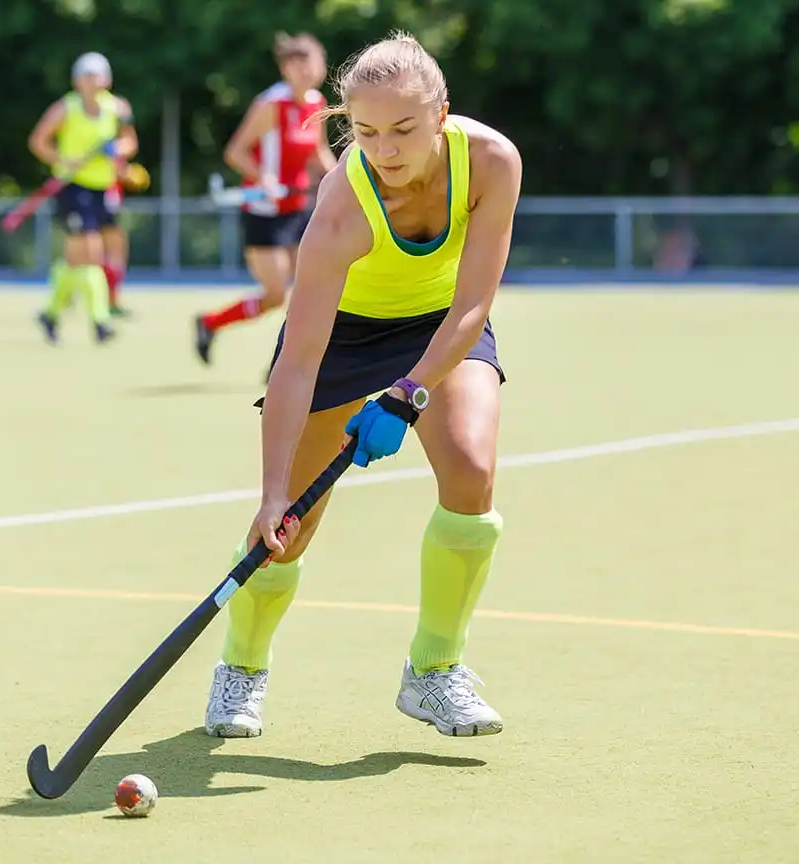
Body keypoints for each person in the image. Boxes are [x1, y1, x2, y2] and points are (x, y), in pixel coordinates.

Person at [202, 31, 522, 740]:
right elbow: (297, 359)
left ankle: (435, 672)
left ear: (441, 113)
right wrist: (272, 492)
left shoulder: (492, 162)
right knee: (293, 524)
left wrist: (409, 392)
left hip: (440, 323)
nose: (385, 150)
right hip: (344, 334)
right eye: (367, 131)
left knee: (471, 470)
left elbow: (473, 305)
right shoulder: (343, 203)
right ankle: (242, 667)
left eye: (404, 128)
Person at [193, 32, 336, 365]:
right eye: (297, 64)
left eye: (312, 63)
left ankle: (290, 359)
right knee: (274, 294)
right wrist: (265, 177)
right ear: (285, 68)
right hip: (264, 210)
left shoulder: (316, 103)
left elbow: (318, 153)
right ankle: (210, 323)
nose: (307, 71)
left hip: (298, 208)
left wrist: (341, 178)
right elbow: (236, 152)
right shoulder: (271, 104)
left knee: (309, 289)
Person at [29, 52, 138, 344]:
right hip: (73, 187)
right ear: (77, 81)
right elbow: (38, 141)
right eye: (86, 76)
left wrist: (117, 149)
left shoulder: (117, 108)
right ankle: (101, 321)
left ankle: (50, 313)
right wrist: (64, 159)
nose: (92, 81)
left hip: (102, 188)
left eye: (97, 75)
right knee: (90, 252)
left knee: (78, 259)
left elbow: (130, 141)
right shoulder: (65, 108)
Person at [101, 90, 148, 318]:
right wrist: (125, 171)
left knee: (114, 249)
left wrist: (125, 170)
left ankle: (110, 300)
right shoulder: (104, 112)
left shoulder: (116, 108)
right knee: (102, 249)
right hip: (100, 189)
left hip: (111, 190)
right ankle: (102, 301)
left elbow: (129, 143)